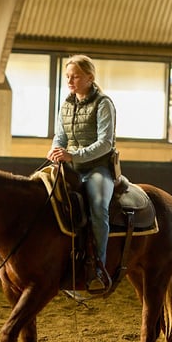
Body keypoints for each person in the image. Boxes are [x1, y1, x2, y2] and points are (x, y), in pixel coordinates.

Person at [47, 55, 116, 294]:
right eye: (68, 76)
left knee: (98, 207)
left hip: (98, 168)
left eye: (75, 76)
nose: (70, 80)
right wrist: (55, 150)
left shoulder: (103, 103)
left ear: (89, 77)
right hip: (70, 166)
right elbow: (60, 136)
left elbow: (105, 143)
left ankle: (98, 267)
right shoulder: (65, 104)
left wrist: (73, 156)